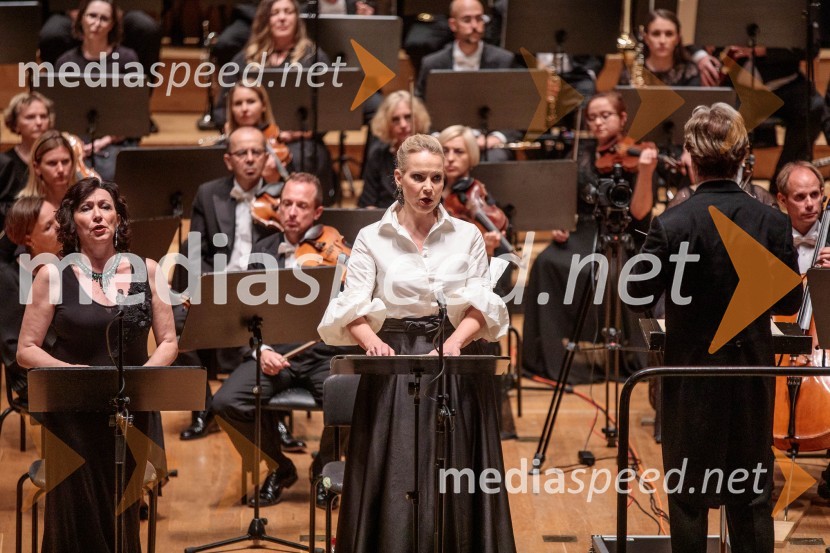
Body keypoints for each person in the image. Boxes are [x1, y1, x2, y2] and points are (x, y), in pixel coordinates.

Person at [319, 134, 516, 552]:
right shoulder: (372, 237)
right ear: (398, 178)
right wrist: (371, 341)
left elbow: (483, 302)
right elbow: (350, 304)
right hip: (394, 359)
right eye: (418, 177)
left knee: (457, 468)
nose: (428, 187)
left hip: (455, 357)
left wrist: (456, 343)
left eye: (436, 178)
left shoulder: (468, 235)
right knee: (396, 469)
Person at [627, 103, 802, 553]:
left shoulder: (673, 222)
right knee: (753, 499)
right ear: (745, 154)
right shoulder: (772, 221)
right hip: (751, 380)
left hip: (691, 381)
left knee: (688, 499)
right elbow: (789, 301)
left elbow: (637, 298)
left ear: (689, 154)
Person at [17, 177, 177, 553]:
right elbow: (26, 348)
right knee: (77, 515)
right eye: (86, 208)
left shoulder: (149, 271)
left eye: (105, 206)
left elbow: (169, 341)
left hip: (130, 411)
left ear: (119, 218)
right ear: (73, 222)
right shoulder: (51, 274)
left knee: (122, 514)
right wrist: (75, 375)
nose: (97, 215)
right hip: (72, 414)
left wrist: (143, 379)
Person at [213, 172, 355, 508]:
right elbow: (247, 313)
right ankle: (280, 466)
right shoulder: (262, 250)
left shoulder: (339, 254)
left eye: (301, 206)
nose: (291, 212)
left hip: (326, 354)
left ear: (317, 212)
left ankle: (325, 466)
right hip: (275, 353)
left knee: (352, 403)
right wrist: (261, 350)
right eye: (286, 203)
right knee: (225, 403)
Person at [522, 92, 656, 383]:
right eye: (592, 117)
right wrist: (559, 222)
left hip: (622, 233)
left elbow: (640, 213)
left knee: (612, 274)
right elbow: (566, 198)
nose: (597, 122)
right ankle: (552, 359)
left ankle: (623, 353)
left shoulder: (639, 154)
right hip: (583, 230)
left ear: (622, 118)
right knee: (546, 261)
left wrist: (645, 172)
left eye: (605, 115)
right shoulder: (581, 152)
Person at [215, 0, 338, 204]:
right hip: (251, 138)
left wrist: (296, 132)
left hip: (297, 140)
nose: (282, 17)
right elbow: (221, 109)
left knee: (311, 154)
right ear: (266, 20)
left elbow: (327, 111)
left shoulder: (313, 57)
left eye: (288, 12)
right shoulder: (246, 58)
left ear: (297, 19)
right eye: (275, 13)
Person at [54, 0, 143, 180]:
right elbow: (60, 113)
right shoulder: (65, 62)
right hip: (76, 140)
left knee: (111, 175)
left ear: (112, 25)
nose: (96, 23)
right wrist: (76, 143)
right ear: (81, 19)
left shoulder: (127, 60)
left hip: (114, 141)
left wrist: (104, 140)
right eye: (92, 16)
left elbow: (134, 113)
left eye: (104, 18)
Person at [0, 197, 61, 414]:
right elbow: (14, 348)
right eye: (48, 227)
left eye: (58, 220)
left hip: (66, 365)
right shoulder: (10, 277)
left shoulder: (69, 263)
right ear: (29, 239)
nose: (60, 228)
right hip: (32, 377)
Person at [358, 90, 431, 208]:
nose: (402, 124)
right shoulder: (378, 155)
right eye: (395, 119)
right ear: (387, 124)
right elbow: (368, 204)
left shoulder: (432, 154)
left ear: (417, 118)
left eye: (408, 117)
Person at [223, 82, 294, 185]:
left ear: (263, 105)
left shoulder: (278, 142)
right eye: (238, 103)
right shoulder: (225, 145)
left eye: (251, 102)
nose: (244, 109)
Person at [0, 93, 55, 226]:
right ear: (15, 124)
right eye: (30, 117)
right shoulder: (4, 161)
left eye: (43, 116)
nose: (39, 122)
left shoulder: (59, 159)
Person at [619, 9, 700, 86]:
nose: (662, 41)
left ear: (677, 39)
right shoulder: (628, 72)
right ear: (646, 38)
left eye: (669, 34)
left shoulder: (689, 72)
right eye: (656, 34)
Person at [776, 161, 830, 274]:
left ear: (822, 193)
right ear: (782, 200)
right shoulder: (771, 241)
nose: (810, 204)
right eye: (800, 197)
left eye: (814, 194)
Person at [18, 130, 78, 208]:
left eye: (65, 162)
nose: (61, 169)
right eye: (52, 163)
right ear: (37, 167)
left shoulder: (83, 200)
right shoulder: (24, 208)